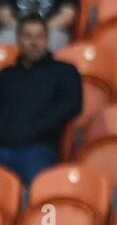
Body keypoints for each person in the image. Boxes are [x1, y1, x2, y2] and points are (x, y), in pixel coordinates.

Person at [0, 16, 82, 185]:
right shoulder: (7, 75)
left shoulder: (64, 71)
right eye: (28, 36)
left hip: (39, 148)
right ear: (18, 39)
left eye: (39, 36)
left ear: (47, 39)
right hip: (3, 146)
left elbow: (72, 104)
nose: (34, 42)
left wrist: (37, 129)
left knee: (39, 192)